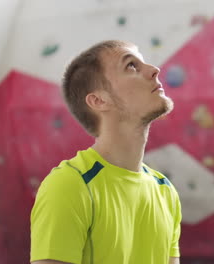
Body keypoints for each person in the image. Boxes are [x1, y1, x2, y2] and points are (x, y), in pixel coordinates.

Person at [30, 40, 181, 264]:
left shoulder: (165, 191)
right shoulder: (69, 186)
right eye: (131, 66)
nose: (153, 70)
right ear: (99, 100)